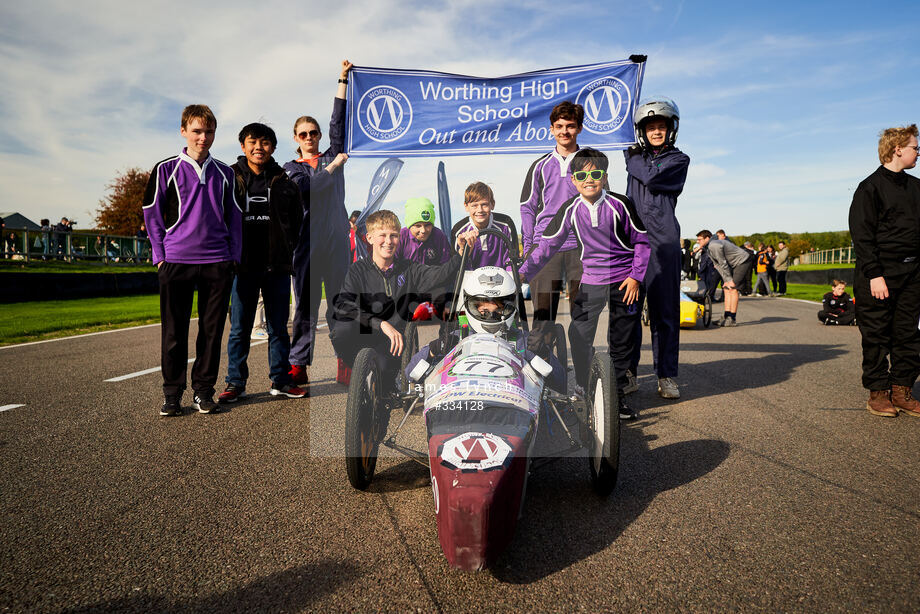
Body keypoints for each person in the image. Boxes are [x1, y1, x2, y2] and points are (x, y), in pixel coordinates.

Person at [520, 149, 650, 420]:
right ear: (574, 181)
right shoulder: (570, 209)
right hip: (592, 279)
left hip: (625, 281)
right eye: (582, 175)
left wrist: (636, 277)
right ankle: (583, 385)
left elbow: (641, 241)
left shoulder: (621, 204)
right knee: (578, 334)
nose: (589, 179)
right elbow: (546, 247)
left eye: (595, 174)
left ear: (604, 176)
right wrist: (521, 273)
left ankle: (618, 396)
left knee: (621, 340)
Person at [143, 104, 241, 417]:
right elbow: (152, 216)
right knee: (174, 332)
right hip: (176, 263)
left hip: (217, 263)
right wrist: (160, 257)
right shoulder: (164, 169)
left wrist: (233, 259)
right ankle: (172, 395)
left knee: (211, 333)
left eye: (209, 131)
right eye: (197, 131)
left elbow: (235, 219)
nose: (203, 137)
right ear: (184, 131)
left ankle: (203, 391)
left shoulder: (226, 173)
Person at [330, 210, 474, 389]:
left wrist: (460, 253)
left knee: (384, 385)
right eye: (382, 235)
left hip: (393, 343)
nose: (388, 241)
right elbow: (344, 305)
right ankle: (360, 370)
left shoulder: (409, 269)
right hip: (365, 333)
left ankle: (386, 378)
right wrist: (381, 324)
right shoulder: (357, 270)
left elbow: (441, 275)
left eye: (394, 236)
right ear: (369, 238)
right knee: (340, 330)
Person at [217, 122, 305, 404]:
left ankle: (280, 381)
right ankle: (235, 383)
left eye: (265, 142)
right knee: (240, 329)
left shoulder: (285, 182)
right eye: (253, 141)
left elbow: (297, 222)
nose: (259, 147)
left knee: (278, 328)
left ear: (273, 148)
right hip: (242, 266)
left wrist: (287, 249)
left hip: (277, 266)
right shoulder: (229, 178)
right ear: (243, 146)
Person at [286, 60, 353, 387]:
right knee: (306, 310)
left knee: (341, 307)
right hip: (307, 247)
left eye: (314, 133)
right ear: (296, 138)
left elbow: (339, 123)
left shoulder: (333, 154)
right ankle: (298, 366)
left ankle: (346, 361)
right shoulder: (291, 168)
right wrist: (332, 168)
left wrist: (342, 80)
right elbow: (307, 189)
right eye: (303, 134)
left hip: (338, 243)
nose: (310, 137)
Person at [848, 123, 920, 418]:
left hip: (913, 272)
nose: (918, 152)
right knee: (876, 335)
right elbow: (862, 234)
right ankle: (878, 393)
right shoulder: (870, 187)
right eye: (915, 147)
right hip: (878, 275)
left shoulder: (916, 187)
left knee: (908, 334)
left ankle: (902, 390)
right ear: (897, 149)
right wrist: (875, 273)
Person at [624, 96, 690, 400]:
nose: (656, 131)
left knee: (665, 313)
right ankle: (628, 372)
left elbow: (651, 175)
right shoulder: (635, 157)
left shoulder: (678, 160)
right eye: (651, 127)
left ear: (670, 129)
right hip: (633, 242)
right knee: (629, 311)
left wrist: (631, 157)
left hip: (663, 242)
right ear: (643, 131)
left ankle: (666, 376)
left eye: (661, 126)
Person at [520, 101, 585, 350]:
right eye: (559, 126)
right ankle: (540, 381)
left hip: (581, 248)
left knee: (583, 319)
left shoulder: (590, 163)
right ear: (551, 129)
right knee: (543, 319)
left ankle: (584, 383)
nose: (564, 131)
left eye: (570, 126)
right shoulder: (540, 165)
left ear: (579, 128)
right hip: (545, 248)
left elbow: (603, 204)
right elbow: (527, 206)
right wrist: (530, 246)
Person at [451, 182, 518, 270]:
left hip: (502, 280)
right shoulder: (459, 231)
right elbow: (456, 267)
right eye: (474, 205)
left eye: (484, 204)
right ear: (466, 206)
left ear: (492, 204)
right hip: (470, 281)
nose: (480, 210)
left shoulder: (506, 224)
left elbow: (512, 260)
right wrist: (464, 250)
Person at [696, 230, 753, 327]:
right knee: (726, 288)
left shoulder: (713, 245)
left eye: (699, 239)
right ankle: (726, 316)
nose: (698, 241)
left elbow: (722, 263)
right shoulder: (708, 248)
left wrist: (729, 280)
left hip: (743, 261)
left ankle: (732, 319)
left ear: (707, 238)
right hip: (733, 263)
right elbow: (717, 265)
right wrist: (726, 280)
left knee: (733, 288)